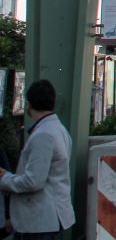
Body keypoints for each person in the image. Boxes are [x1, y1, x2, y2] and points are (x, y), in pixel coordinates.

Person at [0, 80, 74, 240]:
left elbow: (34, 181)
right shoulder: (60, 130)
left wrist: (5, 179)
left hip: (39, 219)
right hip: (49, 215)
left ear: (28, 104)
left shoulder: (43, 135)